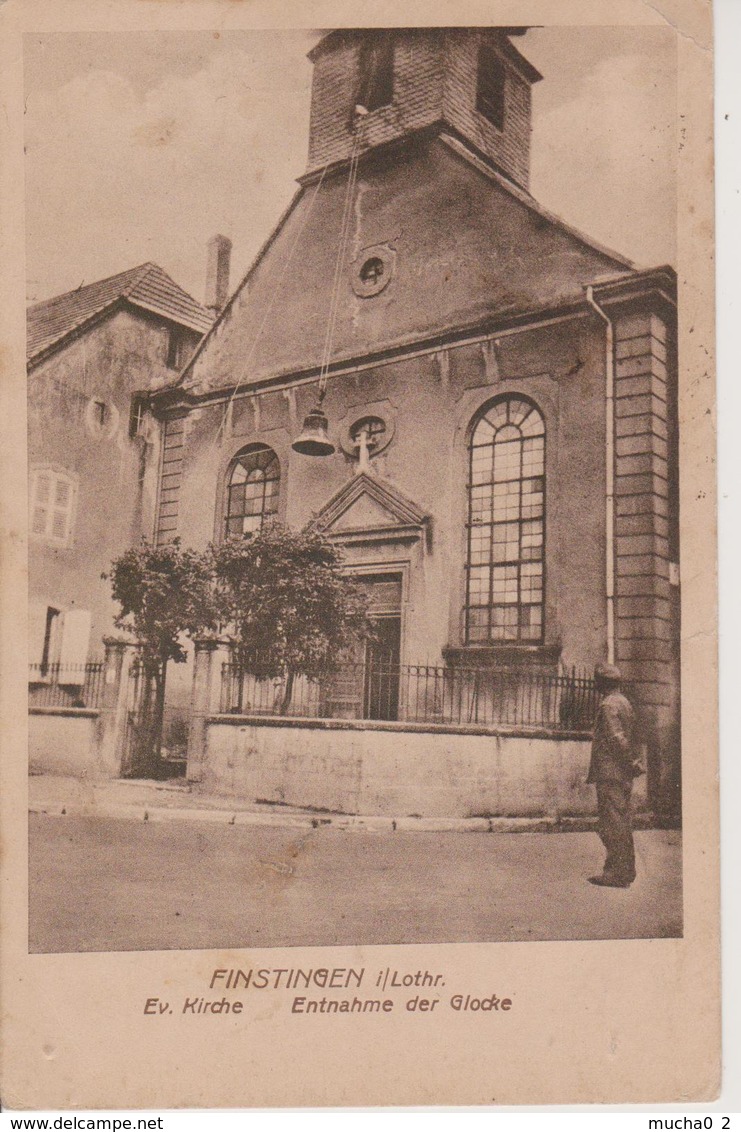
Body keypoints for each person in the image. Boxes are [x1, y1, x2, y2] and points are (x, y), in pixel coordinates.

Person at [587, 662, 644, 888]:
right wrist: (634, 762)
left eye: (597, 681)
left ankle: (616, 874)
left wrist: (630, 761)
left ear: (603, 683)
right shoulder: (624, 703)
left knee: (612, 824)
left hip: (611, 773)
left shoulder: (609, 705)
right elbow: (631, 735)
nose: (595, 684)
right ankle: (626, 871)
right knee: (621, 822)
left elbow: (616, 738)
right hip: (621, 774)